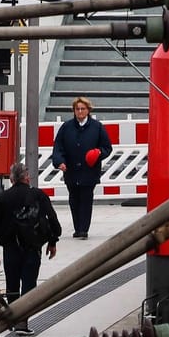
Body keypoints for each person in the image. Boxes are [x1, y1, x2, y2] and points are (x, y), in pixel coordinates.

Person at [0, 162, 61, 329]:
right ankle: (23, 320)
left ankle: (13, 317)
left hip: (11, 247)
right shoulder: (38, 196)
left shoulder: (2, 199)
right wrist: (52, 241)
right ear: (27, 177)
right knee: (29, 283)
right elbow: (53, 221)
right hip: (33, 247)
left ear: (11, 179)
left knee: (12, 285)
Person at [51, 95, 114, 240]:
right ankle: (77, 228)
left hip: (89, 171)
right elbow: (58, 147)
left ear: (88, 110)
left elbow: (107, 147)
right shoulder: (66, 127)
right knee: (74, 199)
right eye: (77, 109)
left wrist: (98, 153)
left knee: (86, 199)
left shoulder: (97, 127)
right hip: (71, 170)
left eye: (82, 109)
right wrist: (59, 161)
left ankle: (83, 229)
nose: (80, 112)